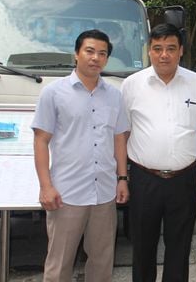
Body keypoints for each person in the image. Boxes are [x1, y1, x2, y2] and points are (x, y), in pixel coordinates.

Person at [32, 29, 129, 282]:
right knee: (59, 264)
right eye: (89, 51)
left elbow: (119, 138)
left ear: (107, 59)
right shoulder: (53, 93)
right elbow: (41, 140)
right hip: (67, 194)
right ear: (76, 54)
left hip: (104, 192)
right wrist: (45, 186)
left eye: (102, 53)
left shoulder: (115, 96)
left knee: (102, 262)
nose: (95, 58)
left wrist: (122, 178)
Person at [121, 22, 196, 282]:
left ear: (181, 51)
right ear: (149, 51)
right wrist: (122, 177)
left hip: (184, 179)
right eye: (158, 48)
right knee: (142, 247)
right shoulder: (131, 85)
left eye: (171, 48)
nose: (164, 55)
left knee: (179, 248)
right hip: (144, 179)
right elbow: (122, 133)